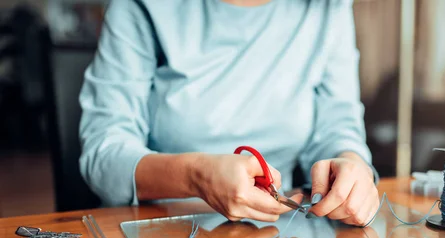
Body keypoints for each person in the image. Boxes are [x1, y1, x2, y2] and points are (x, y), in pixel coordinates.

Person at [79, 0, 380, 226]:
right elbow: (102, 155)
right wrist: (194, 176)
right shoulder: (142, 7)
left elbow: (337, 124)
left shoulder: (329, 7)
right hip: (155, 233)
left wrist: (352, 163)